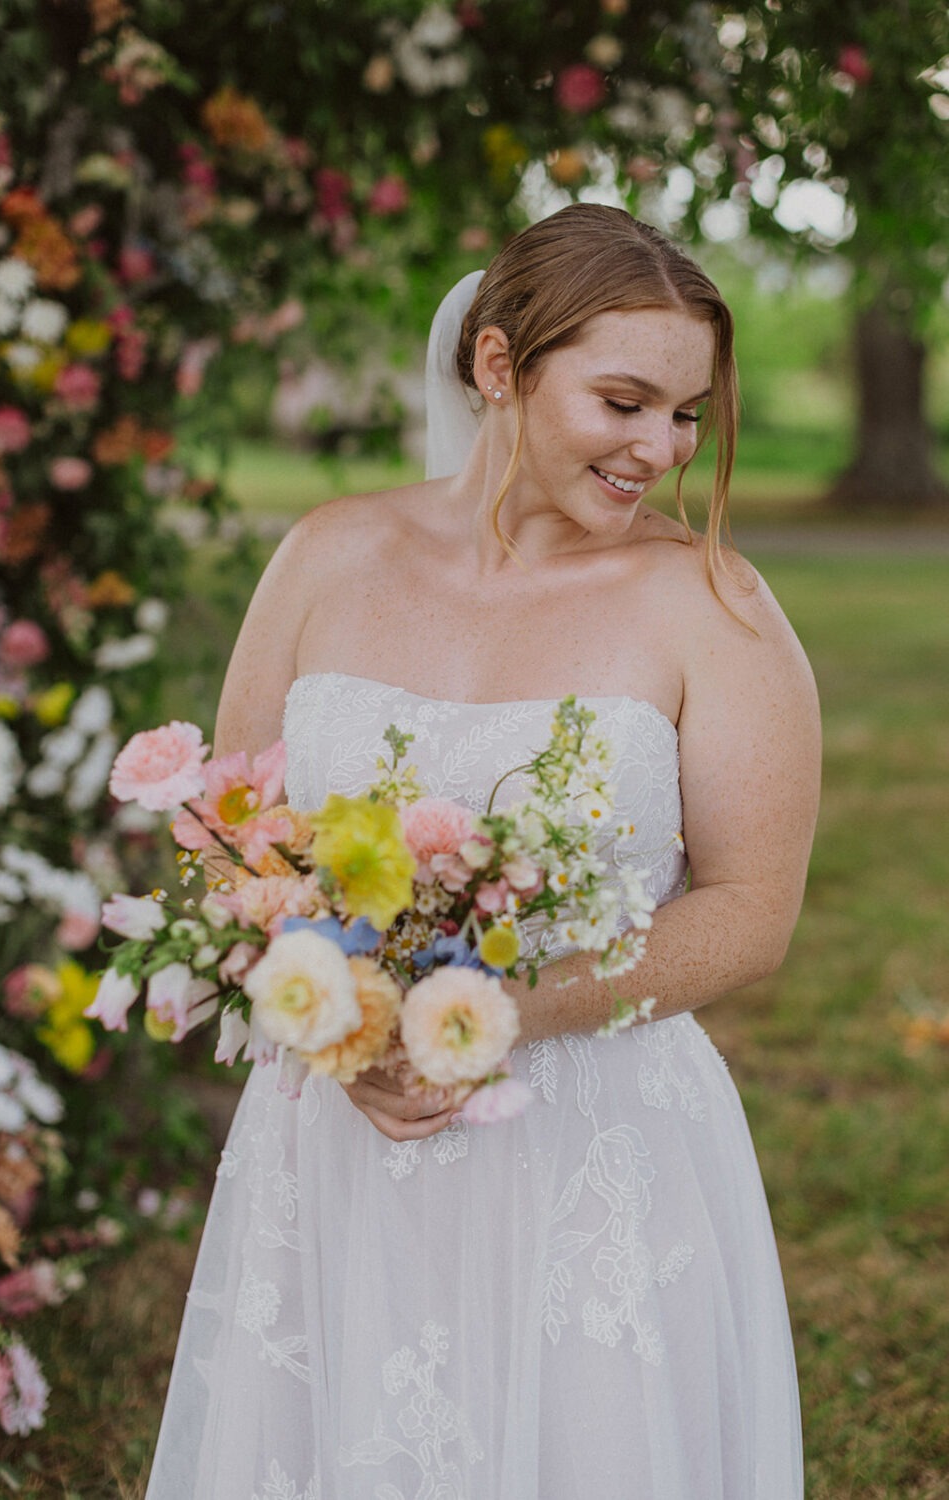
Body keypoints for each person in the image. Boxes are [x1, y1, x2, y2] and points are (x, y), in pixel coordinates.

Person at [144, 203, 820, 1500]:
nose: (661, 449)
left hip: (588, 1140)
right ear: (501, 367)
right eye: (624, 401)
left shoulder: (714, 605)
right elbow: (232, 829)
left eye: (685, 414)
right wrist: (337, 1034)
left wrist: (497, 1017)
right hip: (336, 1136)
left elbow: (750, 908)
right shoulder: (326, 555)